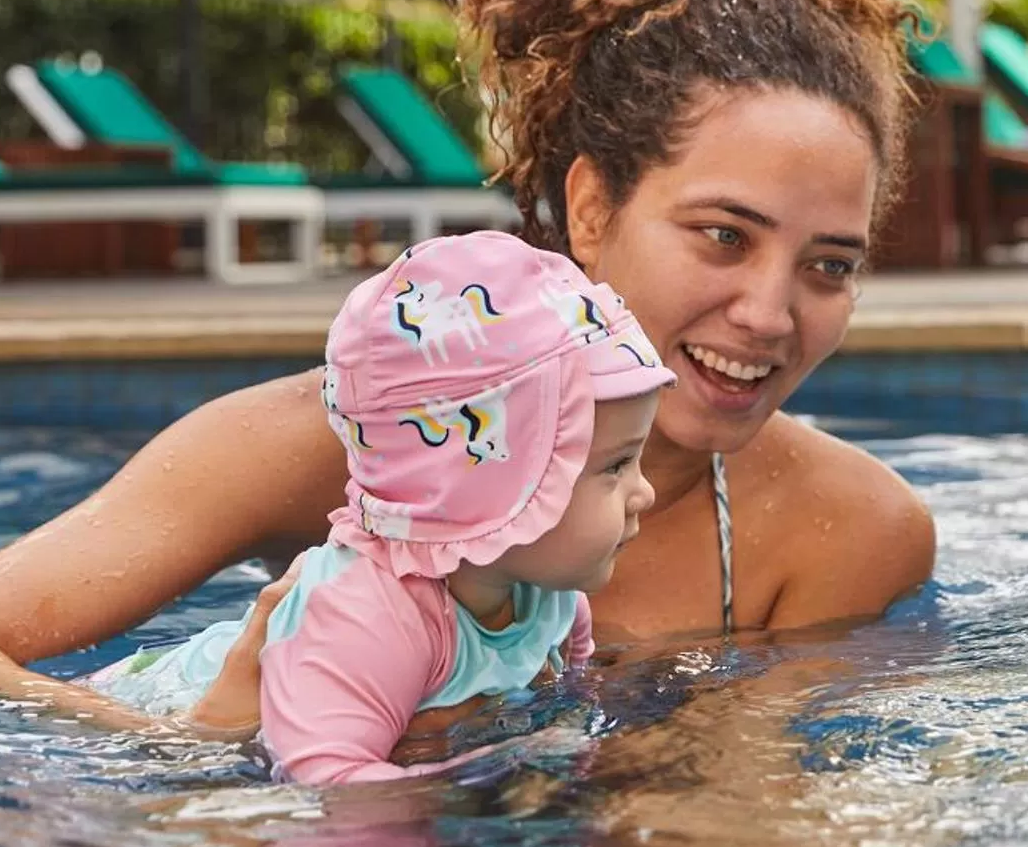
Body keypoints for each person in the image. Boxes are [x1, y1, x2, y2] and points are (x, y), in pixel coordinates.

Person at [0, 0, 936, 730]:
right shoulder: (334, 441)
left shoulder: (841, 530)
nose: (768, 314)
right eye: (721, 236)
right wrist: (193, 738)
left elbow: (734, 820)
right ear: (593, 207)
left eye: (829, 265)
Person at [85, 231, 670, 784]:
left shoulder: (551, 594)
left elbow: (573, 702)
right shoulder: (372, 612)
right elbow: (328, 787)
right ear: (495, 483)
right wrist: (493, 764)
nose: (645, 492)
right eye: (615, 467)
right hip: (141, 727)